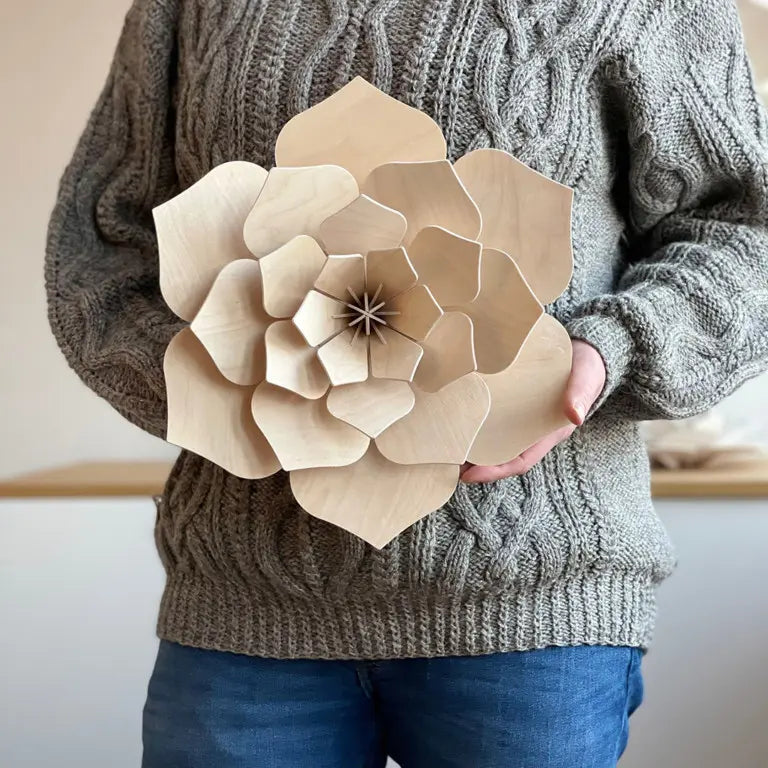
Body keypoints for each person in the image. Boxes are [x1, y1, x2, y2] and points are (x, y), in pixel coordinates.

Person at [44, 1, 768, 766]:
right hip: (245, 609)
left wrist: (602, 353)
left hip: (533, 607)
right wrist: (239, 393)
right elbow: (103, 248)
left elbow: (742, 235)